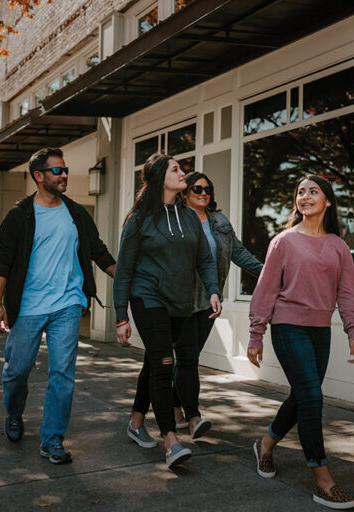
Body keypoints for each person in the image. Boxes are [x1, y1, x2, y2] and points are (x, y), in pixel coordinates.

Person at [0, 147, 116, 465]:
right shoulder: (19, 215)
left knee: (62, 373)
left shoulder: (75, 212)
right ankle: (14, 413)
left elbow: (98, 251)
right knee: (17, 371)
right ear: (39, 176)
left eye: (65, 170)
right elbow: (1, 262)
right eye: (57, 171)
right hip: (28, 306)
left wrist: (126, 275)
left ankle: (53, 440)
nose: (64, 175)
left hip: (68, 303)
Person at [247, 174, 354, 510]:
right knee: (313, 397)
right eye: (300, 192)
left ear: (327, 201)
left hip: (320, 330)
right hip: (288, 326)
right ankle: (323, 480)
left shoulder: (338, 245)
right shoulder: (284, 241)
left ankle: (265, 444)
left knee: (303, 396)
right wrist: (257, 333)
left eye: (314, 192)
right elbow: (266, 289)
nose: (306, 196)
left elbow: (347, 292)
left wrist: (353, 329)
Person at [114, 153, 222, 469]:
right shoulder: (139, 219)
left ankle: (136, 421)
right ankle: (171, 442)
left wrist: (213, 289)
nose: (183, 173)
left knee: (155, 361)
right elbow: (124, 269)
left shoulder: (188, 216)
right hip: (148, 299)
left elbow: (204, 259)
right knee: (164, 363)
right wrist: (121, 315)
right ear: (161, 177)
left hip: (182, 303)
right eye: (176, 169)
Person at [167, 171, 263, 436]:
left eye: (207, 189)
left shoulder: (219, 221)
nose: (203, 194)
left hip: (210, 301)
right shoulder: (175, 220)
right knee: (187, 358)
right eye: (197, 189)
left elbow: (238, 252)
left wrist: (265, 272)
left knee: (188, 357)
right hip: (183, 300)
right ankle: (194, 416)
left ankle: (175, 406)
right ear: (185, 193)